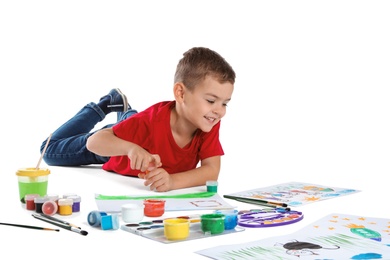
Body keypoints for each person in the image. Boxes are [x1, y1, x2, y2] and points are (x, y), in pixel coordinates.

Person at [41, 47, 236, 192]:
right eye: (211, 100)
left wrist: (172, 181)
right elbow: (94, 142)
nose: (219, 111)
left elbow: (212, 171)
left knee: (131, 124)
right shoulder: (149, 123)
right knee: (48, 151)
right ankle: (103, 106)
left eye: (225, 103)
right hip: (113, 147)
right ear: (181, 93)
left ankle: (125, 111)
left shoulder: (208, 122)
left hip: (133, 130)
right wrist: (130, 149)